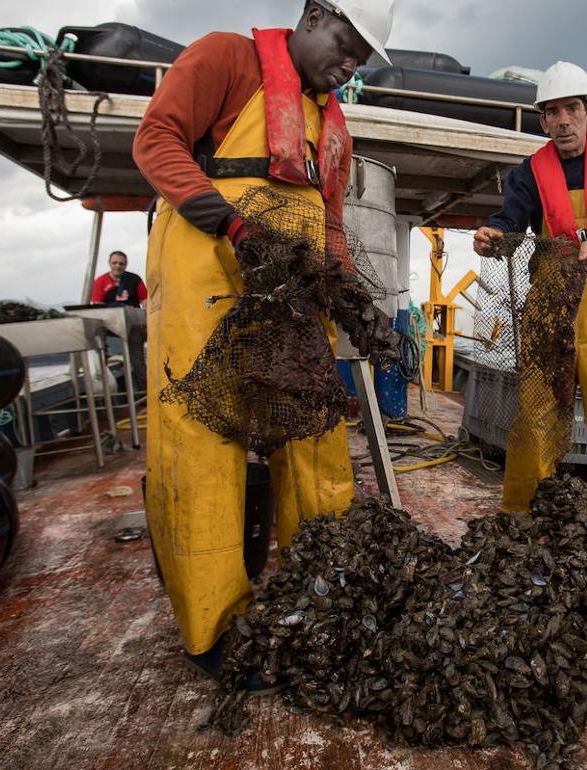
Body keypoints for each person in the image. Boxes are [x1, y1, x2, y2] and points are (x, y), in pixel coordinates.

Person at [132, 0, 396, 676]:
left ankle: (327, 594)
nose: (351, 63)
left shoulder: (332, 125)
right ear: (313, 16)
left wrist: (354, 302)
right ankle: (217, 629)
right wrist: (234, 227)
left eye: (363, 56)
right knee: (202, 437)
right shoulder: (225, 56)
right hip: (204, 266)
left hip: (291, 286)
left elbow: (330, 225)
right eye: (348, 42)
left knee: (315, 436)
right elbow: (156, 140)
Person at [473, 61, 587, 554]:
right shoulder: (528, 172)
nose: (562, 121)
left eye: (571, 109)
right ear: (542, 120)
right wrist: (492, 238)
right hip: (552, 296)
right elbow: (508, 224)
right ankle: (520, 521)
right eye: (551, 112)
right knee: (538, 412)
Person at [91, 250, 148, 390]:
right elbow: (97, 305)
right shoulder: (101, 281)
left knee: (137, 360)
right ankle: (103, 378)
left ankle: (144, 391)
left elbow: (146, 302)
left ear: (126, 265)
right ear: (109, 264)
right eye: (115, 263)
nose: (118, 266)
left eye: (121, 263)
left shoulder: (134, 280)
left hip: (132, 324)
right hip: (108, 325)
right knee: (98, 341)